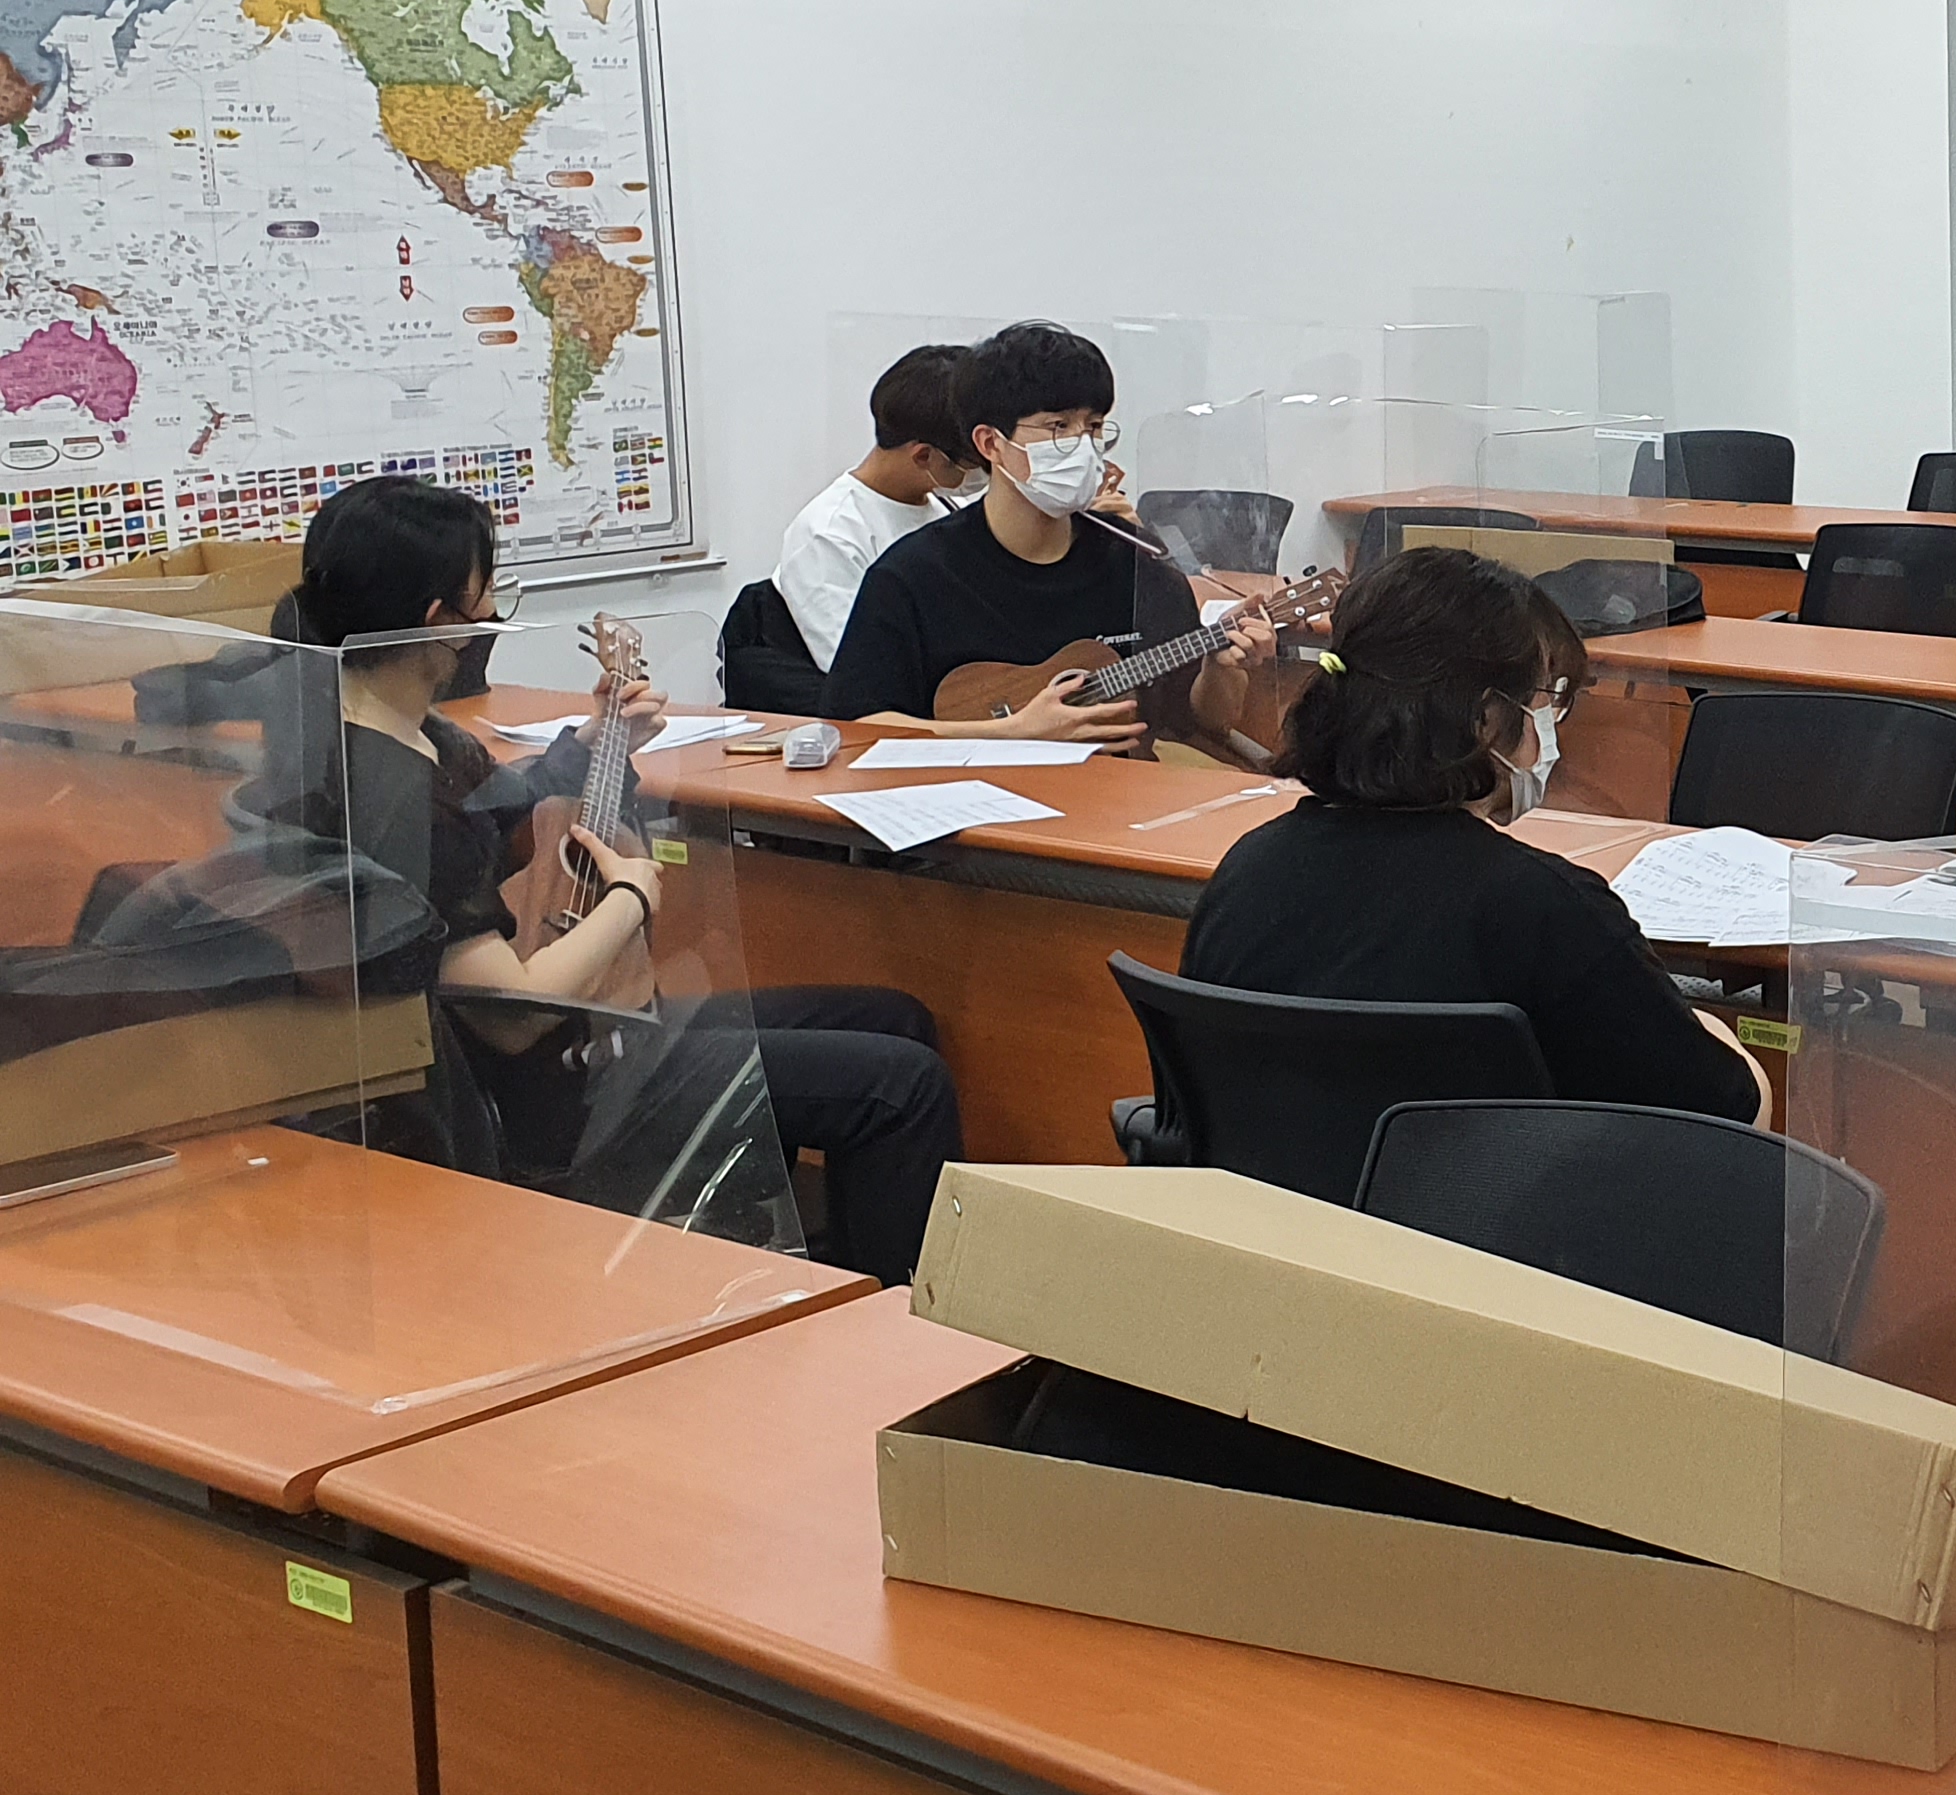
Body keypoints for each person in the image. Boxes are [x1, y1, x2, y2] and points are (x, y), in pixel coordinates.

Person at [239, 475, 965, 1279]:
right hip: (557, 1094)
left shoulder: (390, 731)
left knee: (894, 1019)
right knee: (902, 1088)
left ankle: (811, 1271)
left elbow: (504, 825)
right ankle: (901, 1326)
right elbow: (514, 1013)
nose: (493, 615)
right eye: (488, 593)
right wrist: (631, 897)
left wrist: (596, 744)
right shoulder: (392, 796)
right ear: (440, 620)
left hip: (585, 1038)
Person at [1182, 547, 1770, 1122]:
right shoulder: (1544, 907)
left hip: (1265, 1189)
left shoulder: (1246, 873)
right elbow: (1723, 1111)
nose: (1550, 727)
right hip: (1474, 1191)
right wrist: (1714, 1032)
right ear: (1485, 719)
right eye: (1547, 700)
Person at [821, 320, 1271, 758]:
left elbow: (1200, 724)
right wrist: (1010, 733)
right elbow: (856, 727)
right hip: (967, 799)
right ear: (990, 444)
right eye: (1058, 427)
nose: (1082, 446)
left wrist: (1221, 668)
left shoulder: (1138, 561)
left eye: (1094, 426)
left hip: (1116, 796)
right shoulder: (912, 575)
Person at [770, 343, 973, 669]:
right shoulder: (829, 536)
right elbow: (859, 670)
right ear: (924, 456)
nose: (986, 469)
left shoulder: (951, 507)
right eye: (973, 461)